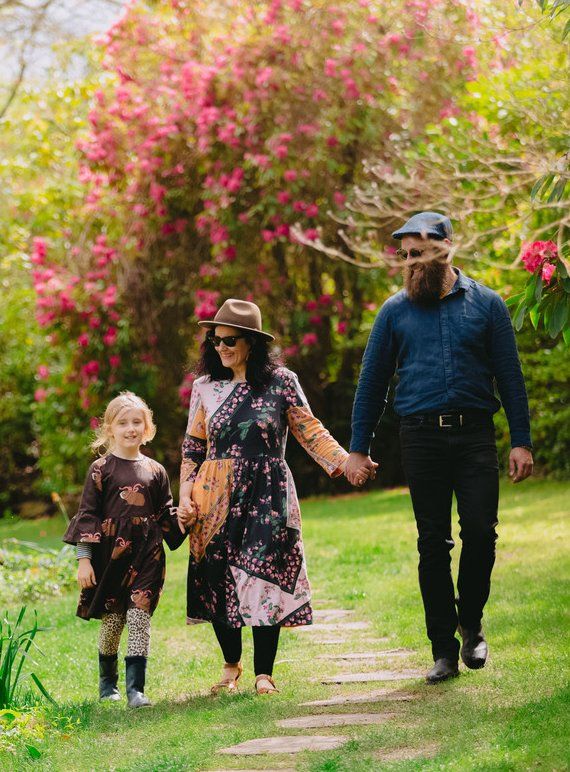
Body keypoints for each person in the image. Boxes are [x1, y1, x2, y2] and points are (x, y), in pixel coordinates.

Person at [345, 212, 533, 683]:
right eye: (405, 254)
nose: (411, 261)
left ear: (447, 247)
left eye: (420, 251)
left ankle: (471, 623)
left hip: (474, 436)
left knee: (481, 532)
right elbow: (372, 384)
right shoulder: (394, 312)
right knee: (433, 543)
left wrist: (522, 441)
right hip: (421, 437)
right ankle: (443, 650)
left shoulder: (487, 305)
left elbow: (510, 378)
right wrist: (357, 448)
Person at [177, 298, 373, 695]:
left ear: (252, 342)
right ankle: (231, 667)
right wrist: (184, 495)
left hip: (267, 491)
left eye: (231, 340)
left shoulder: (281, 381)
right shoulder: (204, 388)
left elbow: (310, 430)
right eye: (215, 341)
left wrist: (346, 462)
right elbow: (192, 448)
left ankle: (264, 673)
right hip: (212, 494)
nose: (222, 348)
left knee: (263, 577)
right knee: (218, 577)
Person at [63, 392, 185, 707]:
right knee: (114, 621)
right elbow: (87, 515)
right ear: (110, 429)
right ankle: (108, 683)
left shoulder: (156, 471)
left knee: (139, 617)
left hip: (148, 556)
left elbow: (165, 513)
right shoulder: (100, 470)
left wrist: (187, 519)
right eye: (123, 423)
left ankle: (136, 690)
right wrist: (84, 560)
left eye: (136, 422)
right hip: (110, 559)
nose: (130, 428)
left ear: (147, 428)